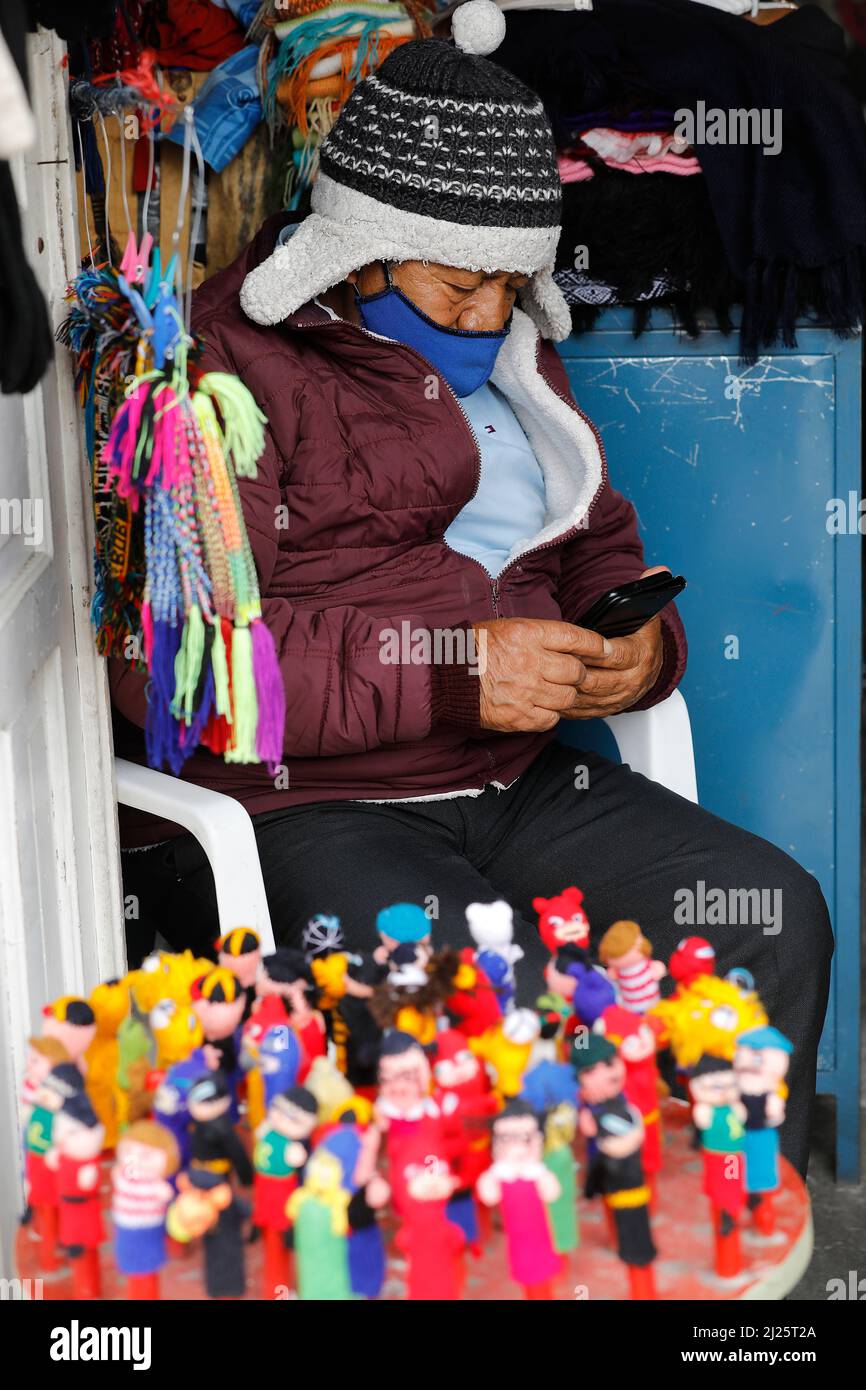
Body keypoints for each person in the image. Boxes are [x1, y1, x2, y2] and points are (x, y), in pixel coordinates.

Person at [111, 3, 831, 1176]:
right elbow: (175, 663)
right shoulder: (228, 370)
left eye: (511, 285)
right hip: (312, 804)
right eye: (456, 290)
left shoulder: (517, 358)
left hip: (518, 782)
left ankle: (717, 1244)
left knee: (767, 916)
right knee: (491, 1002)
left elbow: (602, 547)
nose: (489, 318)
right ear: (362, 250)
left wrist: (643, 651)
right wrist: (455, 676)